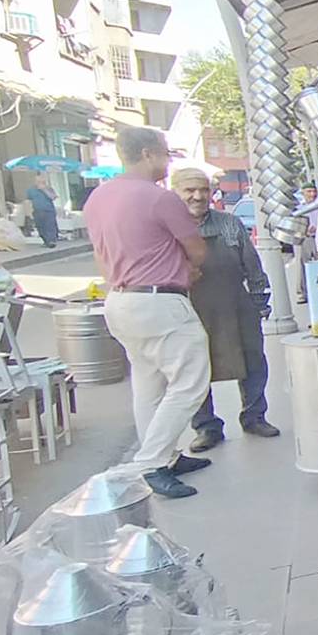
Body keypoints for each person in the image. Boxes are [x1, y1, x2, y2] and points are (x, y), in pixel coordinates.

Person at [83, 128, 213, 499]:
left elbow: (99, 253)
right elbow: (197, 249)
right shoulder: (160, 198)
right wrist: (188, 269)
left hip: (120, 299)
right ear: (147, 154)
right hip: (160, 300)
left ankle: (166, 455)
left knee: (148, 382)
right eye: (164, 153)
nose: (167, 161)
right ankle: (152, 462)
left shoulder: (97, 198)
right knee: (190, 382)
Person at [170, 168, 281, 453]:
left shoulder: (230, 223)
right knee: (195, 369)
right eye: (189, 190)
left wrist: (259, 302)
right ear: (175, 193)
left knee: (253, 362)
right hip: (190, 310)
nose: (198, 196)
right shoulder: (169, 230)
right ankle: (206, 427)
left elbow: (252, 265)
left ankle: (254, 417)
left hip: (237, 306)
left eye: (203, 190)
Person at [25, 173, 60, 248]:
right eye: (38, 181)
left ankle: (52, 240)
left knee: (50, 226)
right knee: (40, 226)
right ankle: (46, 241)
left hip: (48, 210)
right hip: (37, 211)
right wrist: (28, 212)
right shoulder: (31, 190)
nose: (39, 183)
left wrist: (44, 189)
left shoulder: (48, 188)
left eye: (41, 181)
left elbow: (53, 197)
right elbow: (28, 201)